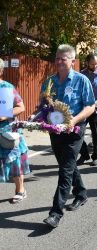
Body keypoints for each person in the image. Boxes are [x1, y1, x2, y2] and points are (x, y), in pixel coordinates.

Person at [41, 44, 95, 228]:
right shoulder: (49, 82)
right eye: (57, 58)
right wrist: (39, 119)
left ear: (72, 61)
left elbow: (90, 106)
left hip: (74, 130)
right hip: (55, 131)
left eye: (63, 58)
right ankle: (81, 193)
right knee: (67, 164)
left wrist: (74, 120)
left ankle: (55, 213)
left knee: (65, 169)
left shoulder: (81, 81)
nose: (58, 61)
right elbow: (44, 106)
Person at [0, 58, 30, 204]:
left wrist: (5, 114)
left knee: (14, 161)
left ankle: (20, 190)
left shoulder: (7, 87)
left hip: (6, 132)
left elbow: (21, 107)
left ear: (0, 71)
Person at [77, 53, 97, 166]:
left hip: (96, 109)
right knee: (77, 132)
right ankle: (84, 154)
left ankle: (96, 156)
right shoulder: (82, 74)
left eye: (96, 64)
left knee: (96, 135)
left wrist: (95, 102)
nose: (95, 66)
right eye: (92, 64)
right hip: (83, 109)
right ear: (87, 63)